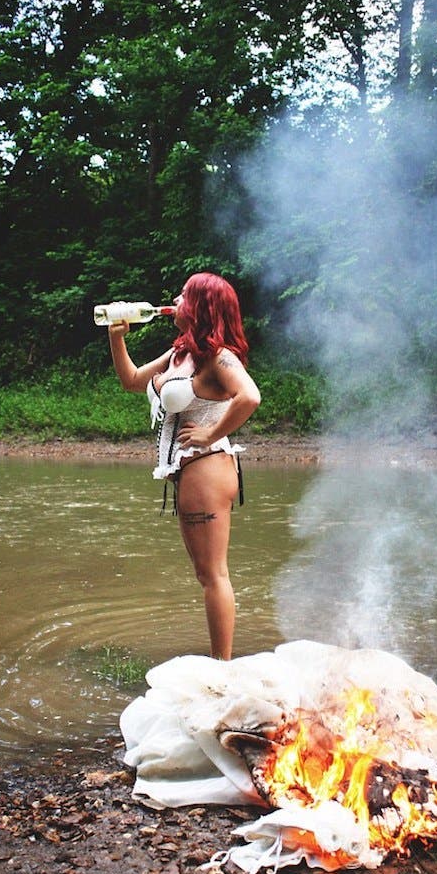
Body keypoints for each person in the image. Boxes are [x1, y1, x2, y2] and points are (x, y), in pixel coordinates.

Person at [107, 272, 261, 661]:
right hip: (190, 472)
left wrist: (209, 434)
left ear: (202, 307)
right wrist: (116, 335)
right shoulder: (181, 352)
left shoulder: (219, 357)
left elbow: (250, 396)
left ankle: (222, 668)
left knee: (213, 575)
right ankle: (220, 662)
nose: (175, 299)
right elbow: (131, 380)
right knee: (206, 574)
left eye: (184, 295)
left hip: (208, 467)